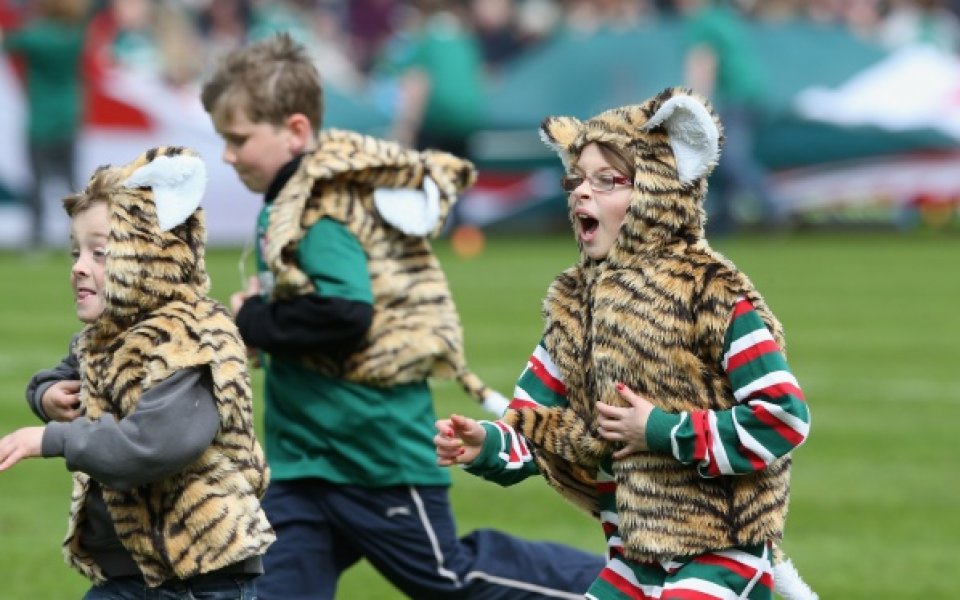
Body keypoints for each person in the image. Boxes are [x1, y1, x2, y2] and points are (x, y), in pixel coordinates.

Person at [200, 33, 605, 600]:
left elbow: (346, 314)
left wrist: (254, 320)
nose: (228, 154)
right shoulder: (288, 203)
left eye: (238, 138)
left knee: (451, 578)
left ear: (294, 131)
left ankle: (614, 587)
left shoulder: (323, 212)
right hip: (305, 462)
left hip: (374, 459)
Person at [435, 88, 818, 600]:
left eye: (606, 181)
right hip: (633, 562)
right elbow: (532, 425)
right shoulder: (574, 305)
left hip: (722, 555)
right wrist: (486, 445)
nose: (580, 194)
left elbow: (783, 417)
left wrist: (662, 430)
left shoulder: (712, 292)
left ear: (659, 191)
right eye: (577, 180)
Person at [0, 145, 275, 599]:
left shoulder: (188, 339)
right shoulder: (110, 336)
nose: (78, 268)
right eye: (76, 252)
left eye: (100, 253)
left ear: (149, 256)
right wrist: (48, 395)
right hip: (135, 571)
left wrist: (49, 439)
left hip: (199, 577)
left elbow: (152, 446)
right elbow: (62, 375)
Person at [675, 0, 787, 235]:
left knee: (731, 158)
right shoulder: (721, 17)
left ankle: (775, 206)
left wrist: (692, 104)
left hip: (738, 98)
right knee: (722, 157)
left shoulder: (704, 22)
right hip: (750, 96)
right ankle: (724, 219)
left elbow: (703, 66)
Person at [0, 0, 88, 250]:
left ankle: (37, 239)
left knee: (37, 182)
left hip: (40, 120)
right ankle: (83, 235)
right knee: (72, 181)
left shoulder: (36, 37)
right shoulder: (75, 36)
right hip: (68, 116)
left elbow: (8, 42)